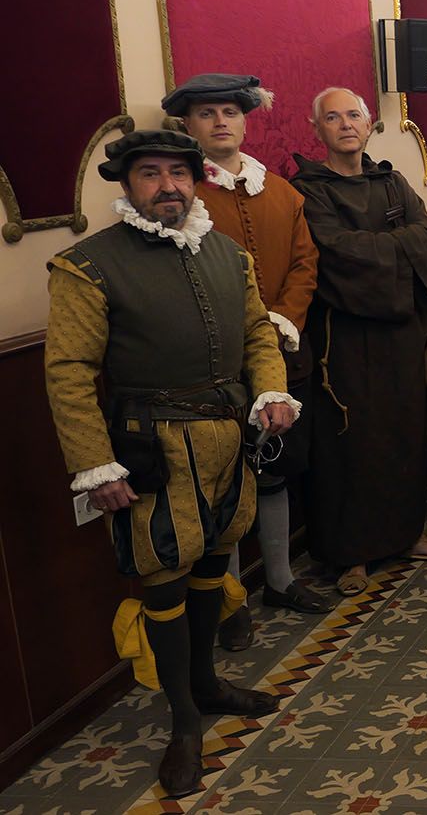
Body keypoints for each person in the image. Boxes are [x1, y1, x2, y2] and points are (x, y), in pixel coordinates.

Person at [44, 130, 295, 795]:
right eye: (150, 175)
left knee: (216, 558)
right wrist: (97, 464)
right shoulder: (89, 265)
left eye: (179, 173)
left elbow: (256, 335)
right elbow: (69, 371)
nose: (168, 186)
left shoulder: (227, 254)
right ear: (127, 187)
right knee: (163, 576)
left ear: (195, 179)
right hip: (151, 448)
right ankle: (184, 719)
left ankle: (208, 684)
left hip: (225, 437)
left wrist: (272, 391)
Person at [162, 74, 332, 653]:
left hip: (284, 352)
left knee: (279, 470)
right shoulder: (183, 194)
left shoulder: (283, 193)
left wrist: (284, 318)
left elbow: (306, 263)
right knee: (226, 482)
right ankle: (230, 598)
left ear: (246, 118)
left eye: (230, 111)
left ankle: (281, 580)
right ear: (188, 124)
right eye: (207, 113)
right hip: (218, 365)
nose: (220, 122)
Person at [292, 87, 427, 597]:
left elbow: (426, 235)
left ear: (368, 126)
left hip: (399, 333)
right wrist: (397, 245)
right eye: (333, 117)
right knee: (350, 440)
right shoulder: (308, 190)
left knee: (405, 432)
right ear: (316, 128)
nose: (345, 125)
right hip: (343, 338)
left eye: (354, 116)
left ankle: (408, 534)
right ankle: (353, 553)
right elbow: (333, 253)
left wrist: (383, 246)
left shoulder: (392, 181)